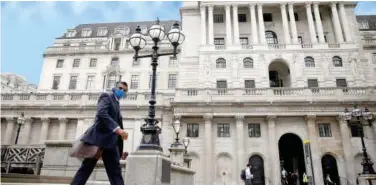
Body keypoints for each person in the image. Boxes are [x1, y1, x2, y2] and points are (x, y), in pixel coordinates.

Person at [70, 82, 129, 185]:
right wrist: (118, 129)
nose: (122, 91)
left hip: (111, 143)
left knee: (115, 172)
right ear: (114, 88)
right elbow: (101, 114)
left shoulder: (117, 103)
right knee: (86, 168)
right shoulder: (106, 96)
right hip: (98, 141)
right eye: (120, 88)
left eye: (125, 91)